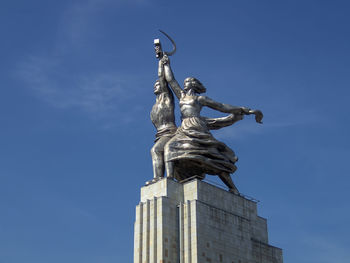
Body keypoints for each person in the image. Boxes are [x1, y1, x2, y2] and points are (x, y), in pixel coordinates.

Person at [161, 55, 263, 194]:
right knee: (169, 147)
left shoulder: (200, 98)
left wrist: (241, 110)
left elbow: (222, 106)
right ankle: (170, 178)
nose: (185, 82)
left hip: (197, 127)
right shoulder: (182, 96)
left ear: (194, 85)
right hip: (184, 128)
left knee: (212, 157)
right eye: (185, 81)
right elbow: (171, 81)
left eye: (188, 81)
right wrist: (166, 64)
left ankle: (232, 188)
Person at [147, 59, 177, 184]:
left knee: (155, 150)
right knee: (156, 150)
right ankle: (160, 177)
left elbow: (163, 77)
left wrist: (162, 63)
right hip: (160, 134)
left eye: (158, 84)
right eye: (154, 85)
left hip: (169, 132)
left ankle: (158, 177)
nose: (155, 85)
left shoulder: (166, 98)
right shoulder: (156, 104)